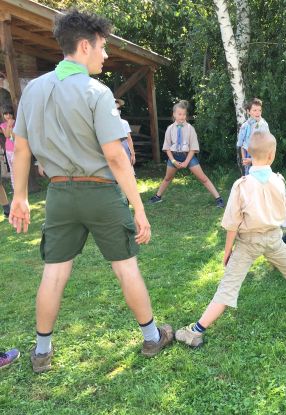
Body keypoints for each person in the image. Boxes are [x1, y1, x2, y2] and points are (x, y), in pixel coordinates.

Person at [9, 10, 173, 373]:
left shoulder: (32, 90)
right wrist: (139, 208)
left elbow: (20, 149)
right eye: (102, 47)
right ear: (84, 46)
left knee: (54, 272)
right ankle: (151, 338)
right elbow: (115, 156)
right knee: (126, 268)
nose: (105, 55)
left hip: (59, 196)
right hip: (99, 193)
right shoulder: (96, 92)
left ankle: (41, 351)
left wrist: (19, 195)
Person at [175, 131, 286, 348]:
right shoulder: (279, 180)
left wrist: (228, 251)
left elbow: (232, 223)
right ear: (272, 155)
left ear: (248, 154)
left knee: (229, 284)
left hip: (248, 242)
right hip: (274, 237)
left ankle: (196, 331)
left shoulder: (242, 185)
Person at [148, 101, 224, 207]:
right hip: (174, 156)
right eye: (179, 114)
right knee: (167, 178)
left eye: (184, 114)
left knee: (203, 178)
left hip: (188, 156)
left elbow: (193, 148)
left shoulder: (190, 128)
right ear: (174, 114)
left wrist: (186, 162)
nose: (182, 117)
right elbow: (167, 147)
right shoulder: (170, 129)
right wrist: (173, 161)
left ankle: (219, 199)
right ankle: (157, 197)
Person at [236, 98, 270, 175]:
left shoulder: (264, 125)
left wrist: (252, 160)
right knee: (249, 179)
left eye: (259, 110)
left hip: (260, 156)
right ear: (248, 112)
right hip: (247, 155)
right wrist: (244, 159)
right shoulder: (244, 126)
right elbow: (242, 144)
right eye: (254, 110)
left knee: (259, 179)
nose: (258, 112)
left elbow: (267, 146)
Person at [115, 98, 135, 167]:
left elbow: (129, 139)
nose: (118, 111)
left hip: (125, 151)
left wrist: (132, 154)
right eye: (115, 108)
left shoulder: (124, 123)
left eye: (118, 109)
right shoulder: (104, 123)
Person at [0, 105, 15, 189]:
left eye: (10, 113)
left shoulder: (17, 123)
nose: (8, 115)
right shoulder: (3, 125)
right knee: (12, 171)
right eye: (6, 114)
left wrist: (12, 125)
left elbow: (15, 135)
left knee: (19, 169)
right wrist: (9, 125)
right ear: (3, 115)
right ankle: (15, 189)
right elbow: (7, 135)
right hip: (9, 150)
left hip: (18, 149)